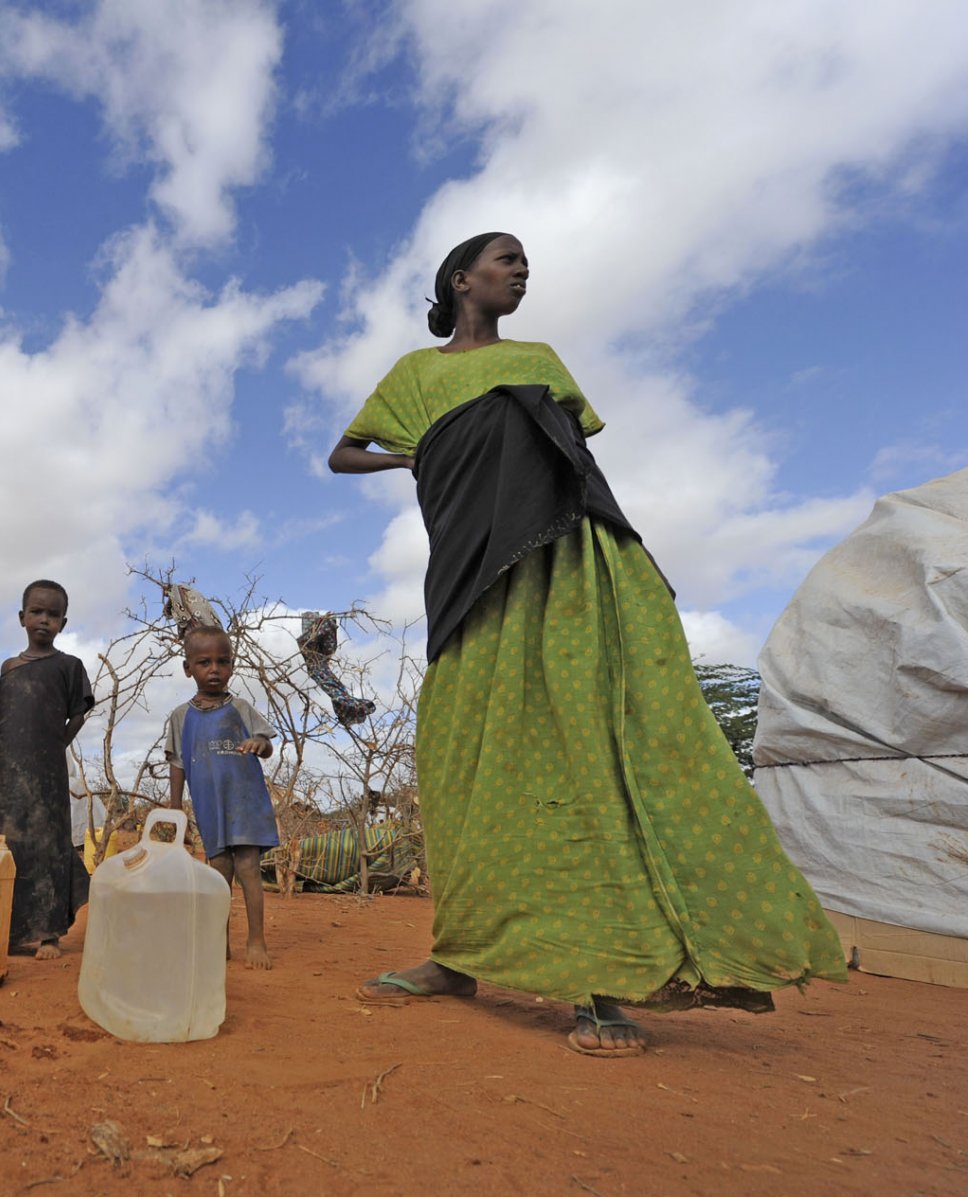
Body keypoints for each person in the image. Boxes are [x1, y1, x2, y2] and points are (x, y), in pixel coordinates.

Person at [328, 233, 845, 1057]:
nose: (522, 270)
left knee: (577, 755)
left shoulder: (540, 359)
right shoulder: (415, 375)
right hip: (465, 575)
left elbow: (565, 461)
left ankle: (602, 982)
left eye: (526, 261)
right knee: (459, 769)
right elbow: (342, 453)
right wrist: (417, 455)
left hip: (557, 568)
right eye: (506, 259)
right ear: (462, 280)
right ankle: (459, 956)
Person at [0, 580, 95, 960]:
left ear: (63, 622)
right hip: (7, 775)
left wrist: (56, 745)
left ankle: (49, 933)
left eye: (52, 614)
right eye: (36, 612)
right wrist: (3, 760)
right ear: (22, 617)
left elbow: (78, 713)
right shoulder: (9, 668)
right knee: (5, 846)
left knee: (49, 843)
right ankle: (10, 931)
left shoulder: (68, 666)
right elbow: (1, 721)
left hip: (47, 772)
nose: (43, 620)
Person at [165, 626, 279, 970]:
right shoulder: (181, 717)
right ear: (188, 668)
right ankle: (220, 942)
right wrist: (175, 811)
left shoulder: (240, 708)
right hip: (210, 807)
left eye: (222, 661)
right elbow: (178, 764)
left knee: (248, 868)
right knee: (218, 874)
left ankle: (256, 941)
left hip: (245, 804)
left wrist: (260, 745)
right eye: (204, 662)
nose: (214, 669)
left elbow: (267, 744)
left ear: (232, 665)